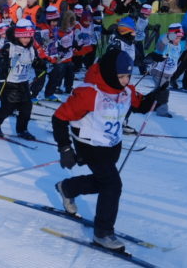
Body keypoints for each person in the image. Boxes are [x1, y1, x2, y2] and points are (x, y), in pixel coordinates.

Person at [51, 49, 164, 251]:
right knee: (113, 186)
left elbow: (140, 105)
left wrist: (156, 97)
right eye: (121, 76)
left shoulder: (126, 89)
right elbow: (59, 117)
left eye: (128, 76)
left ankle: (68, 188)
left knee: (104, 183)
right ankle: (102, 233)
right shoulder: (89, 93)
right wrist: (65, 148)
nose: (125, 80)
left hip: (111, 145)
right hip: (89, 144)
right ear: (110, 72)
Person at [0, 20, 47, 140]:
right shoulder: (9, 46)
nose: (26, 40)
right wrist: (4, 63)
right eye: (24, 37)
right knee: (8, 108)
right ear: (18, 36)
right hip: (8, 83)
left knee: (26, 108)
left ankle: (22, 129)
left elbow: (34, 60)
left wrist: (40, 64)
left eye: (29, 37)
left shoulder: (31, 48)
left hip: (23, 82)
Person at [144, 23, 183, 117]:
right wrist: (169, 37)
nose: (178, 40)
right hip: (158, 72)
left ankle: (146, 104)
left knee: (158, 90)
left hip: (168, 73)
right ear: (171, 35)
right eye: (176, 38)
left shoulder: (178, 45)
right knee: (163, 91)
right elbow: (162, 42)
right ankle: (162, 111)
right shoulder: (164, 43)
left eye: (180, 38)